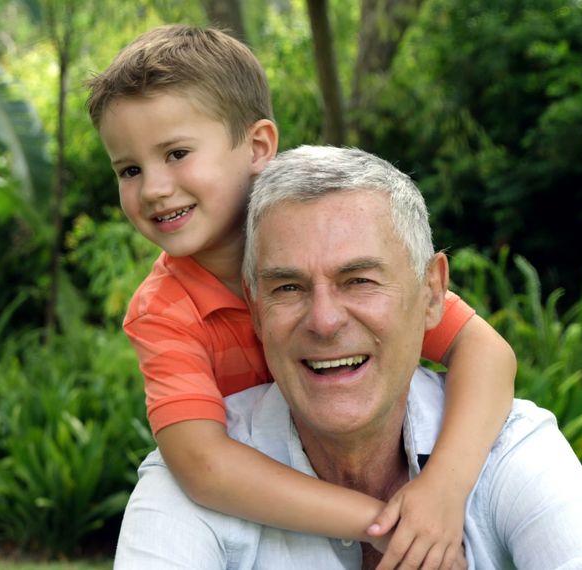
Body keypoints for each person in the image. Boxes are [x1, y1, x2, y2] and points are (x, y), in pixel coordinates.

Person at [86, 25, 517, 568]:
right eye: (129, 169)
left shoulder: (335, 247)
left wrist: (442, 491)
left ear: (258, 146)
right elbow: (203, 465)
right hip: (272, 528)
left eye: (176, 153)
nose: (153, 187)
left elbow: (487, 352)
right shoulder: (165, 311)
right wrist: (383, 522)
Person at [115, 145, 582, 569]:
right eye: (288, 288)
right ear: (254, 309)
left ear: (431, 293)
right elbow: (204, 468)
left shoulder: (508, 448)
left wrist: (443, 487)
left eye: (360, 280)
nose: (325, 321)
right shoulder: (184, 482)